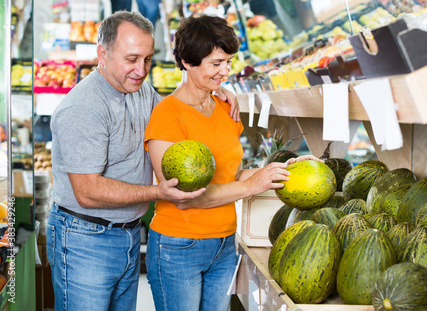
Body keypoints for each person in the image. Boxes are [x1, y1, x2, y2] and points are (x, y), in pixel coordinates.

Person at [47, 11, 238, 311]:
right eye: (132, 59)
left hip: (128, 233)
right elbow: (86, 191)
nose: (141, 69)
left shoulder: (138, 89)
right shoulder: (82, 108)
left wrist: (211, 91)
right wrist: (158, 193)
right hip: (85, 238)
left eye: (147, 59)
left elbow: (176, 110)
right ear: (103, 54)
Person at [144, 14, 319, 311]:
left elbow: (232, 173)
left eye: (228, 62)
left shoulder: (225, 106)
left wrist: (281, 172)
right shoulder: (167, 115)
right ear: (187, 61)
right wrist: (253, 185)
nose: (225, 71)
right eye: (216, 64)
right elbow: (184, 196)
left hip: (225, 244)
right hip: (179, 245)